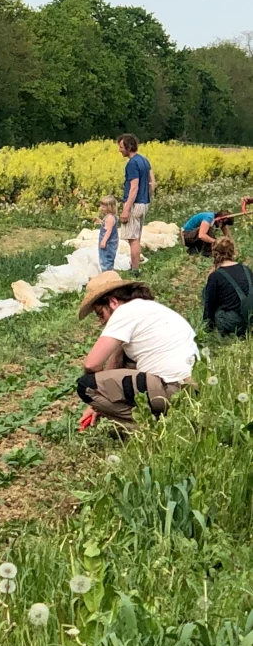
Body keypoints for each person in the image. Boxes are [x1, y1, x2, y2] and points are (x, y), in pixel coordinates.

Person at [76, 271, 198, 430]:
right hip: (194, 386)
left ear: (113, 302)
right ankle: (164, 417)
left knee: (86, 385)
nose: (101, 322)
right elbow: (117, 362)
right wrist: (96, 405)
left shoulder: (123, 312)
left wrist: (97, 393)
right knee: (128, 365)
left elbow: (92, 364)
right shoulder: (149, 308)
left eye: (101, 314)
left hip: (170, 388)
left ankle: (145, 425)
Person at [118, 134, 155, 277]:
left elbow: (134, 188)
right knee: (136, 238)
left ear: (128, 147)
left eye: (121, 147)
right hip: (144, 203)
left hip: (135, 204)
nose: (120, 150)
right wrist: (147, 196)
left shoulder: (132, 164)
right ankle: (135, 265)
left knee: (133, 240)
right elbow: (153, 182)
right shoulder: (144, 160)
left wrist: (126, 210)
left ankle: (134, 270)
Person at [203, 237, 253, 336]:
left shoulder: (215, 276)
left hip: (233, 323)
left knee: (205, 292)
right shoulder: (246, 269)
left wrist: (207, 327)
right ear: (233, 251)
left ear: (215, 253)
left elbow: (210, 304)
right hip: (250, 319)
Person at [95, 195, 119, 272]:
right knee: (107, 259)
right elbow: (107, 226)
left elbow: (108, 231)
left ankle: (107, 274)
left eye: (104, 207)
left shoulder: (109, 218)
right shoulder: (110, 216)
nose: (101, 208)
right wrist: (101, 222)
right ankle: (108, 273)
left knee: (105, 260)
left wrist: (104, 241)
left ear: (110, 207)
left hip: (108, 243)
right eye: (101, 206)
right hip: (110, 242)